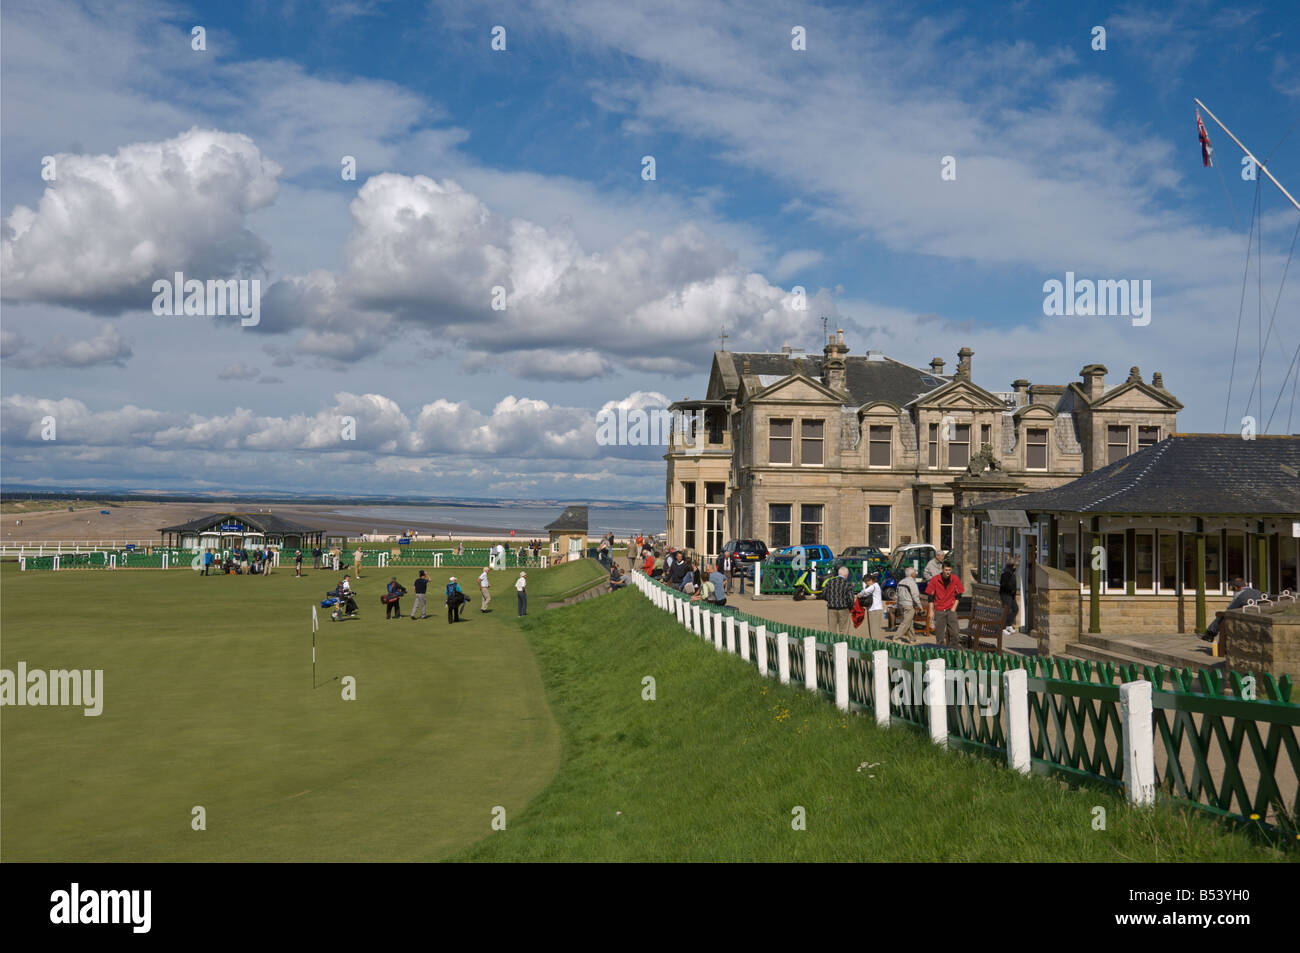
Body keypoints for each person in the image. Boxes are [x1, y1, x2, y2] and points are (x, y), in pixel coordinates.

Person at [1204, 577, 1264, 641]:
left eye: (1233, 588)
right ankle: (1210, 633)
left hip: (1245, 618)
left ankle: (1210, 634)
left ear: (1235, 587)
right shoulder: (1257, 592)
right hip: (1258, 615)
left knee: (1221, 615)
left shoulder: (1240, 595)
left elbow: (1230, 608)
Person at [928, 561, 965, 647]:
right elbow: (930, 596)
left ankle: (953, 651)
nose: (948, 572)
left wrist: (953, 608)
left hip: (951, 609)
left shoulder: (955, 579)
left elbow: (959, 595)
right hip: (939, 610)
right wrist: (931, 610)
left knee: (955, 633)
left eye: (949, 570)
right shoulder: (935, 579)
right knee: (939, 635)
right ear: (942, 569)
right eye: (946, 570)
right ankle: (941, 652)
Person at [892, 567, 922, 643]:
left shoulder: (901, 582)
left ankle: (912, 639)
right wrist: (920, 606)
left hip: (901, 604)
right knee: (905, 623)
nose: (916, 573)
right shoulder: (912, 582)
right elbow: (915, 596)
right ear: (912, 574)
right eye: (915, 572)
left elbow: (897, 594)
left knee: (909, 622)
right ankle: (896, 638)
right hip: (909, 604)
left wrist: (897, 604)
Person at [824, 565, 855, 638]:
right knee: (843, 629)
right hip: (843, 608)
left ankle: (833, 645)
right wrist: (850, 607)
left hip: (831, 608)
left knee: (832, 630)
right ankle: (842, 645)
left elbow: (824, 594)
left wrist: (830, 600)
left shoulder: (830, 582)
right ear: (846, 575)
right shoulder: (847, 584)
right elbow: (851, 598)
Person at [859, 572, 885, 641]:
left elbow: (864, 592)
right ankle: (874, 642)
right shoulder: (875, 585)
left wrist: (859, 595)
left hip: (874, 610)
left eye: (866, 582)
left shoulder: (873, 586)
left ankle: (875, 644)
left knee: (874, 629)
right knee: (873, 628)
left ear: (870, 580)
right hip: (875, 609)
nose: (866, 584)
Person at [999, 556, 1020, 635]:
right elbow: (1004, 584)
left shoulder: (1012, 573)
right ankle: (1003, 628)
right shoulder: (1006, 574)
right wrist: (1011, 589)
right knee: (1006, 611)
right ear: (1011, 565)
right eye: (1014, 565)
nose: (1015, 567)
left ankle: (1008, 625)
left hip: (1011, 595)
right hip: (1005, 594)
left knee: (1015, 609)